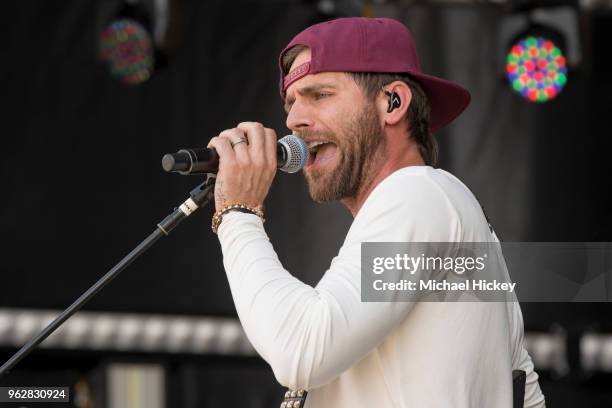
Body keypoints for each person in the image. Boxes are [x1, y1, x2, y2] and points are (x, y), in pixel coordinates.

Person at [207, 17, 545, 408]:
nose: (293, 120)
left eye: (319, 95)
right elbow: (525, 387)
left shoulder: (419, 192)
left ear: (392, 102)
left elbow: (300, 350)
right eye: (291, 101)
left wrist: (238, 212)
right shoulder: (436, 210)